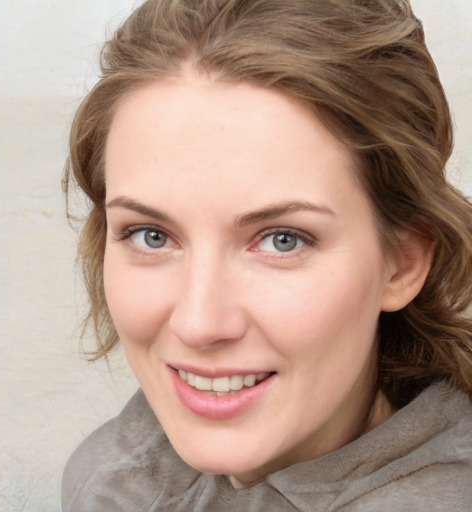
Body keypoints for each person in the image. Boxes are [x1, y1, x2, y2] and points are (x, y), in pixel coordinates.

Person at [61, 0, 472, 510]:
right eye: (151, 235)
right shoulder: (112, 478)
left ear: (403, 262)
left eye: (283, 239)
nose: (198, 323)